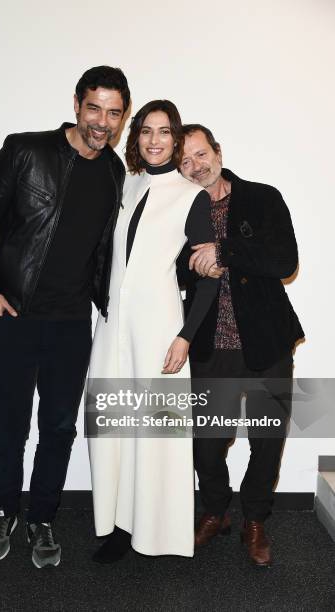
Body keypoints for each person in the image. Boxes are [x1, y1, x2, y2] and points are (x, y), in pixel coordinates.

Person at [0, 65, 130, 568]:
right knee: (9, 424)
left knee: (58, 428)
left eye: (115, 112)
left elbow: (104, 252)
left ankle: (42, 518)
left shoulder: (115, 172)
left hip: (73, 323)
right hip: (14, 317)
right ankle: (1, 510)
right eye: (95, 108)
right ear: (76, 103)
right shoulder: (26, 150)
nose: (103, 122)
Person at [87, 101, 220, 562]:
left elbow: (208, 277)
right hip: (112, 325)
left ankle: (155, 530)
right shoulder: (124, 184)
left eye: (164, 131)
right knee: (113, 426)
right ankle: (117, 526)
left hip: (160, 326)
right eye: (146, 130)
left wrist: (185, 336)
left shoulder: (190, 196)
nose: (155, 140)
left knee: (155, 430)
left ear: (176, 138)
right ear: (136, 137)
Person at [178, 123, 304, 567]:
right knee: (208, 442)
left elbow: (284, 261)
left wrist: (224, 251)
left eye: (200, 154)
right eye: (185, 161)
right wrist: (194, 269)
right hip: (212, 347)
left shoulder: (262, 197)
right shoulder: (180, 209)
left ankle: (255, 520)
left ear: (218, 150)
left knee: (267, 438)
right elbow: (172, 272)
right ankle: (216, 512)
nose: (195, 166)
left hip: (267, 341)